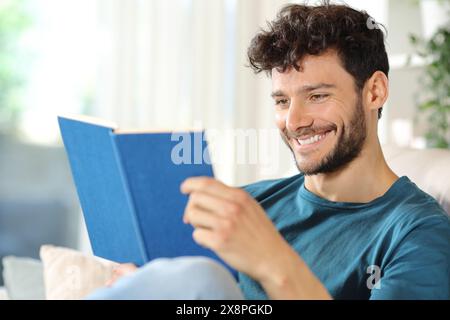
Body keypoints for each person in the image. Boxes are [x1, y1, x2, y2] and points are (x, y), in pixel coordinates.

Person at [87, 2, 450, 300]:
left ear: (374, 92)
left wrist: (273, 261)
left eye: (317, 96)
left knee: (201, 278)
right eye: (281, 100)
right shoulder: (245, 206)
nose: (294, 121)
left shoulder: (419, 234)